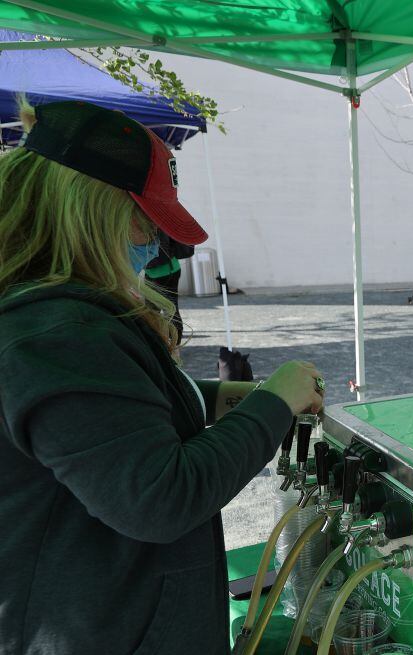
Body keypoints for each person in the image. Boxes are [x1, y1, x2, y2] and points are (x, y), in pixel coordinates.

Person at [0, 100, 326, 654]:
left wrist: (230, 399)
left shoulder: (52, 315)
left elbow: (117, 415)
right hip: (102, 630)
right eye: (146, 222)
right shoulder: (59, 334)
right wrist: (272, 403)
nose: (155, 244)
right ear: (95, 211)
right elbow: (159, 498)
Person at [144, 234, 194, 342]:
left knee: (162, 309)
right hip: (167, 268)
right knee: (165, 308)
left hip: (163, 271)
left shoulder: (153, 223)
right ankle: (172, 341)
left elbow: (161, 248)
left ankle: (173, 343)